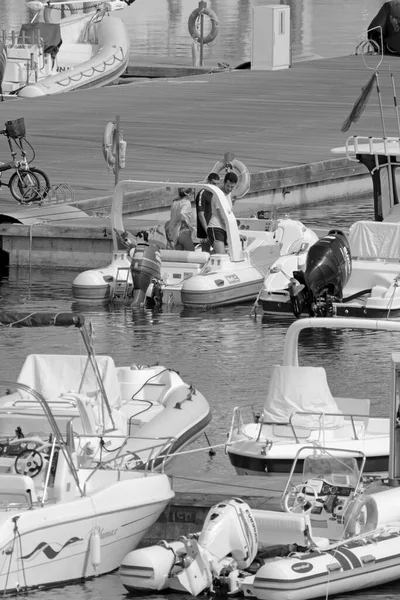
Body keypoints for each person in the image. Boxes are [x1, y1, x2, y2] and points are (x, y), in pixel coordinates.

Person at [207, 172, 238, 254]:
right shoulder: (219, 195)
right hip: (216, 227)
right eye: (228, 186)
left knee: (222, 254)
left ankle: (204, 258)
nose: (229, 189)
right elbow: (222, 217)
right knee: (221, 255)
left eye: (232, 187)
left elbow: (229, 213)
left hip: (224, 229)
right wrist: (234, 232)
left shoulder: (229, 194)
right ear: (224, 183)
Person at [195, 172, 220, 251]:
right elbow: (200, 215)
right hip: (205, 230)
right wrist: (208, 232)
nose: (215, 186)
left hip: (214, 227)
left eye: (217, 184)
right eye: (213, 184)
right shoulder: (202, 194)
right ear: (208, 182)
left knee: (217, 251)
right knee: (206, 252)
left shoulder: (216, 193)